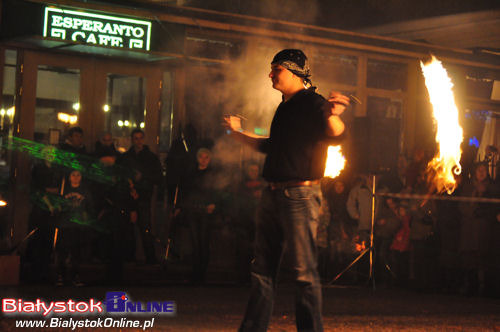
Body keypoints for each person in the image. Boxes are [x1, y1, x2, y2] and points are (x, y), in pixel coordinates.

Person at [224, 49, 349, 332]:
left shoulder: (314, 103)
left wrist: (333, 115)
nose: (270, 74)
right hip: (273, 194)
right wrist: (237, 133)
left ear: (294, 72)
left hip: (299, 196)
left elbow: (338, 133)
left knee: (303, 273)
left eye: (276, 69)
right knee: (262, 271)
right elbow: (270, 146)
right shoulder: (285, 105)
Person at [120, 129, 162, 264]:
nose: (138, 141)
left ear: (143, 139)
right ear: (132, 140)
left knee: (144, 228)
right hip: (130, 196)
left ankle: (149, 257)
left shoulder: (150, 157)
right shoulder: (127, 157)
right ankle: (131, 256)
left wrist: (142, 177)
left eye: (140, 138)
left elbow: (158, 177)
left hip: (143, 196)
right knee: (129, 229)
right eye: (136, 138)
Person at [178, 148, 218, 284]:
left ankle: (202, 273)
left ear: (209, 159)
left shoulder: (212, 174)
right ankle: (196, 273)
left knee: (203, 242)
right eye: (201, 157)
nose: (203, 159)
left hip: (206, 211)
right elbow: (186, 190)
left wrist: (213, 203)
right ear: (197, 158)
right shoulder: (191, 173)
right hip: (193, 210)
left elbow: (217, 190)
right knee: (195, 242)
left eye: (206, 157)